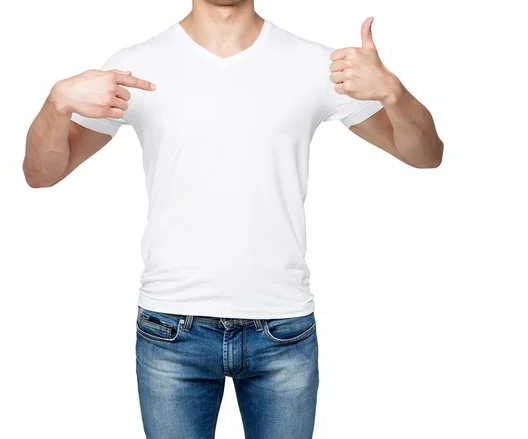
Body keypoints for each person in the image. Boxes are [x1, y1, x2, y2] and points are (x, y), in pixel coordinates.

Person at [23, 0, 443, 437]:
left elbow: (426, 155)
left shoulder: (315, 64)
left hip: (283, 330)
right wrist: (56, 103)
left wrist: (393, 91)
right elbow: (41, 173)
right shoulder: (136, 66)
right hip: (172, 329)